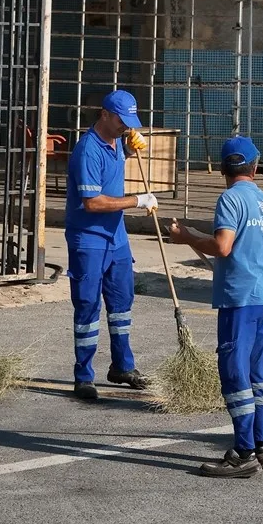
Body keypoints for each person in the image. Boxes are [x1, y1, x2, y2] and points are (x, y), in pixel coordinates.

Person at [169, 136, 263, 478]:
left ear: (223, 168)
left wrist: (188, 237)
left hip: (239, 299)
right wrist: (261, 278)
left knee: (234, 372)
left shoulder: (230, 199)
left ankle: (243, 452)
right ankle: (261, 444)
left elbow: (222, 246)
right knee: (257, 374)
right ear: (255, 166)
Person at [64, 89, 160, 401]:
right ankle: (84, 376)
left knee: (121, 303)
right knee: (88, 305)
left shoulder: (117, 141)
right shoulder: (87, 150)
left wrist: (130, 151)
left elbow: (114, 166)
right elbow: (92, 202)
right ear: (104, 114)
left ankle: (122, 366)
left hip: (116, 239)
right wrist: (138, 200)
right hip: (89, 239)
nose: (127, 127)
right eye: (122, 121)